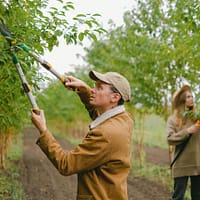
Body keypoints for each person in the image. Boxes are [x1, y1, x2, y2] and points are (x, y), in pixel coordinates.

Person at [31, 70, 133, 200]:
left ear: (115, 97)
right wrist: (84, 89)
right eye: (94, 85)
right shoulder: (124, 119)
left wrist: (43, 130)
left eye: (99, 87)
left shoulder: (106, 134)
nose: (93, 90)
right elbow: (98, 113)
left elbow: (66, 164)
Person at [166, 85, 200, 200]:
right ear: (182, 100)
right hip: (181, 164)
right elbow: (170, 138)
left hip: (198, 163)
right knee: (178, 197)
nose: (192, 99)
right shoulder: (173, 119)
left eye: (192, 96)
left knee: (197, 196)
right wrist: (188, 131)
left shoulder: (197, 118)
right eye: (188, 97)